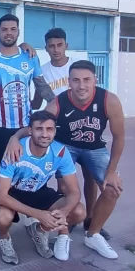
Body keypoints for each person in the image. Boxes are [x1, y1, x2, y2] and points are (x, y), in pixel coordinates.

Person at [5, 60, 125, 259]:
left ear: (95, 80)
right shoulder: (60, 102)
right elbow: (37, 124)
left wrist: (111, 171)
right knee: (65, 190)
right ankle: (63, 235)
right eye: (76, 80)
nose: (81, 85)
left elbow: (119, 137)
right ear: (69, 82)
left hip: (94, 147)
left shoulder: (108, 100)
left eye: (87, 80)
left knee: (112, 189)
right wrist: (14, 137)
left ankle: (93, 234)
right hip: (66, 147)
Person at [0, 14, 55, 236]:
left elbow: (41, 87)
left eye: (13, 29)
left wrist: (56, 104)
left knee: (26, 171)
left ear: (18, 32)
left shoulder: (29, 58)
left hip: (25, 128)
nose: (8, 33)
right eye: (4, 29)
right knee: (1, 173)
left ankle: (28, 213)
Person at [31, 28, 108, 240]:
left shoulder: (77, 68)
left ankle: (90, 218)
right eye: (51, 46)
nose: (55, 49)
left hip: (86, 129)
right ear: (46, 48)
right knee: (64, 181)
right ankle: (67, 217)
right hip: (59, 133)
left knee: (90, 177)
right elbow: (38, 102)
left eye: (59, 45)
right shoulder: (42, 72)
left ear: (66, 45)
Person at [0, 110, 85, 264]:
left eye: (49, 129)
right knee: (3, 218)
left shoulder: (61, 152)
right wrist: (39, 214)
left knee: (79, 212)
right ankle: (4, 238)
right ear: (30, 131)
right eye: (39, 129)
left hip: (38, 190)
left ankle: (39, 230)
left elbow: (75, 191)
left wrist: (64, 212)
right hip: (12, 192)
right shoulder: (15, 150)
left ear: (55, 131)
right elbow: (1, 195)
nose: (44, 134)